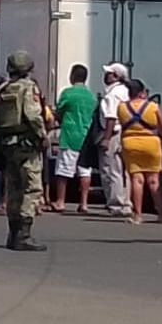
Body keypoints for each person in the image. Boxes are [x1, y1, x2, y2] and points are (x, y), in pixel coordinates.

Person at [0, 51, 46, 252]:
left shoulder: (3, 88)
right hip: (26, 145)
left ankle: (12, 235)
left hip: (7, 145)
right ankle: (24, 235)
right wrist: (42, 135)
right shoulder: (28, 88)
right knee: (31, 187)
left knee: (13, 187)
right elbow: (33, 115)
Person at [117, 78, 162, 224]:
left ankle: (138, 215)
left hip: (130, 143)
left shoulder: (122, 107)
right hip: (151, 143)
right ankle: (160, 214)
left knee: (137, 179)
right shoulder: (153, 106)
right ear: (142, 92)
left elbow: (122, 124)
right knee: (154, 180)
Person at [52, 64, 96, 214]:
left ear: (72, 76)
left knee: (63, 171)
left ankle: (60, 201)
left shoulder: (68, 93)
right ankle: (83, 203)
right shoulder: (91, 96)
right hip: (86, 135)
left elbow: (58, 112)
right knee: (84, 171)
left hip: (70, 134)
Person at [97, 63, 133, 219]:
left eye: (109, 73)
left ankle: (116, 204)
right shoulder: (125, 91)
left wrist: (106, 137)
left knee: (111, 169)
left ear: (116, 76)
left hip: (113, 133)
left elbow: (111, 116)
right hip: (124, 133)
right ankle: (125, 202)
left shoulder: (112, 94)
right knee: (123, 170)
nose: (106, 76)